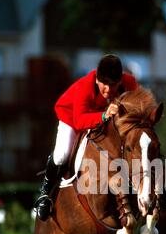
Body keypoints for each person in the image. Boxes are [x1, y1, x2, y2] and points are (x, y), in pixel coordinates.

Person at [35, 54, 137, 221]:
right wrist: (104, 115)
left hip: (102, 120)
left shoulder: (130, 83)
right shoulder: (84, 87)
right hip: (72, 118)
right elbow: (80, 120)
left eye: (113, 85)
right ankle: (45, 195)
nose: (109, 90)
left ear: (121, 80)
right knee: (62, 154)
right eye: (104, 84)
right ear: (97, 79)